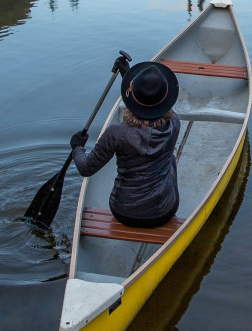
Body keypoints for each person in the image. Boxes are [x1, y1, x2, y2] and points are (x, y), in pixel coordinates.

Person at [69, 61, 180, 228]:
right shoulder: (175, 124)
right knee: (170, 158)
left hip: (123, 212)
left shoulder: (116, 133)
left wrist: (77, 148)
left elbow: (86, 169)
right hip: (164, 212)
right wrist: (126, 76)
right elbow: (156, 108)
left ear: (133, 97)